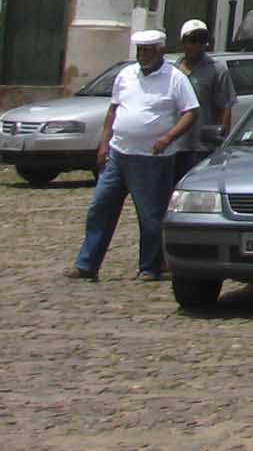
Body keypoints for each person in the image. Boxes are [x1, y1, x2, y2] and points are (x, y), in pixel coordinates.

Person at [68, 31, 197, 282]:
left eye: (148, 51)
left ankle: (150, 266)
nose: (143, 56)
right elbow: (113, 110)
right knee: (100, 208)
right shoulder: (127, 75)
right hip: (119, 153)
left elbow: (191, 112)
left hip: (152, 158)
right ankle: (87, 264)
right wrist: (104, 144)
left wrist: (168, 137)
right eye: (140, 51)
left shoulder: (175, 79)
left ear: (160, 51)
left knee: (150, 215)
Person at [173, 20, 235, 184]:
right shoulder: (174, 69)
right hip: (174, 146)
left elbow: (225, 107)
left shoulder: (217, 69)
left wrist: (221, 143)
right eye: (192, 40)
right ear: (183, 43)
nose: (198, 45)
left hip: (202, 147)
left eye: (202, 40)